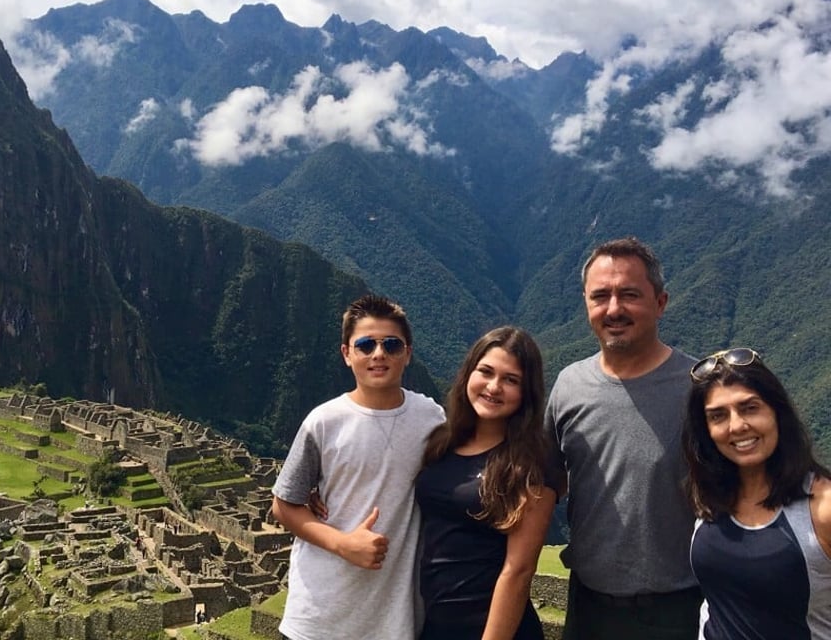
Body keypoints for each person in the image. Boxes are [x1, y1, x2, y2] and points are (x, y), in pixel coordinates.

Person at [544, 236, 702, 640]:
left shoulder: (700, 388)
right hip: (588, 604)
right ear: (586, 304)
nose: (613, 309)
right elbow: (545, 480)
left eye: (629, 294)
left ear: (660, 302)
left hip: (680, 606)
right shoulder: (569, 385)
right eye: (601, 296)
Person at [271, 294, 445, 640]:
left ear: (407, 353)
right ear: (347, 354)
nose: (378, 354)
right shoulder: (323, 423)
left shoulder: (432, 419)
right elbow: (284, 505)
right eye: (365, 345)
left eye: (391, 345)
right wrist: (343, 544)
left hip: (393, 619)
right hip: (320, 616)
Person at [415, 326, 557, 640]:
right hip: (435, 623)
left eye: (511, 380)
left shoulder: (530, 463)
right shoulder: (442, 443)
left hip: (494, 630)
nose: (494, 387)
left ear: (526, 393)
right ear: (469, 373)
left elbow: (518, 571)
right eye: (486, 372)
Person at [682, 347, 831, 639]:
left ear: (777, 412)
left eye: (750, 408)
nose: (737, 426)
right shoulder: (711, 496)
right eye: (718, 416)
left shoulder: (822, 506)